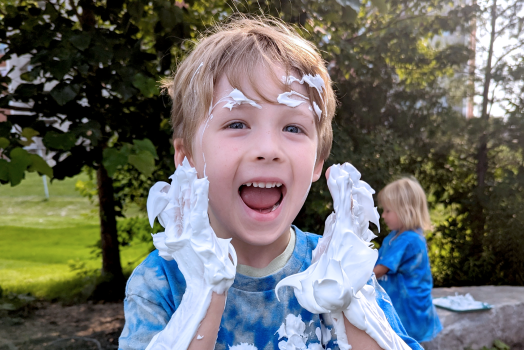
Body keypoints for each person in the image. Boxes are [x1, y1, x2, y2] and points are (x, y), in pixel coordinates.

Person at [120, 17, 423, 350]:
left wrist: (352, 304)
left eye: (293, 128)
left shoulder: (345, 270)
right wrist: (203, 298)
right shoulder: (160, 283)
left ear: (317, 162)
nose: (267, 150)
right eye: (237, 122)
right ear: (187, 157)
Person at [373, 177, 443, 343]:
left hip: (409, 310)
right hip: (401, 306)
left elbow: (378, 270)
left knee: (407, 343)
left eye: (388, 211)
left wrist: (352, 277)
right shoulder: (393, 237)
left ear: (406, 210)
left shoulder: (409, 240)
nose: (383, 215)